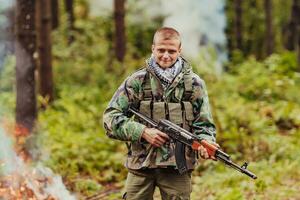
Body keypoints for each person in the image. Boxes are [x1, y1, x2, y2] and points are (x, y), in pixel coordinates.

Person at [103, 27, 217, 200]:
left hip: (177, 168)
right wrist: (142, 132)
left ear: (180, 50)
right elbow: (110, 118)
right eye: (161, 50)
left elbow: (204, 124)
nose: (166, 55)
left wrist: (206, 142)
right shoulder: (137, 82)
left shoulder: (194, 85)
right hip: (141, 165)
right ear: (153, 49)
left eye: (171, 51)